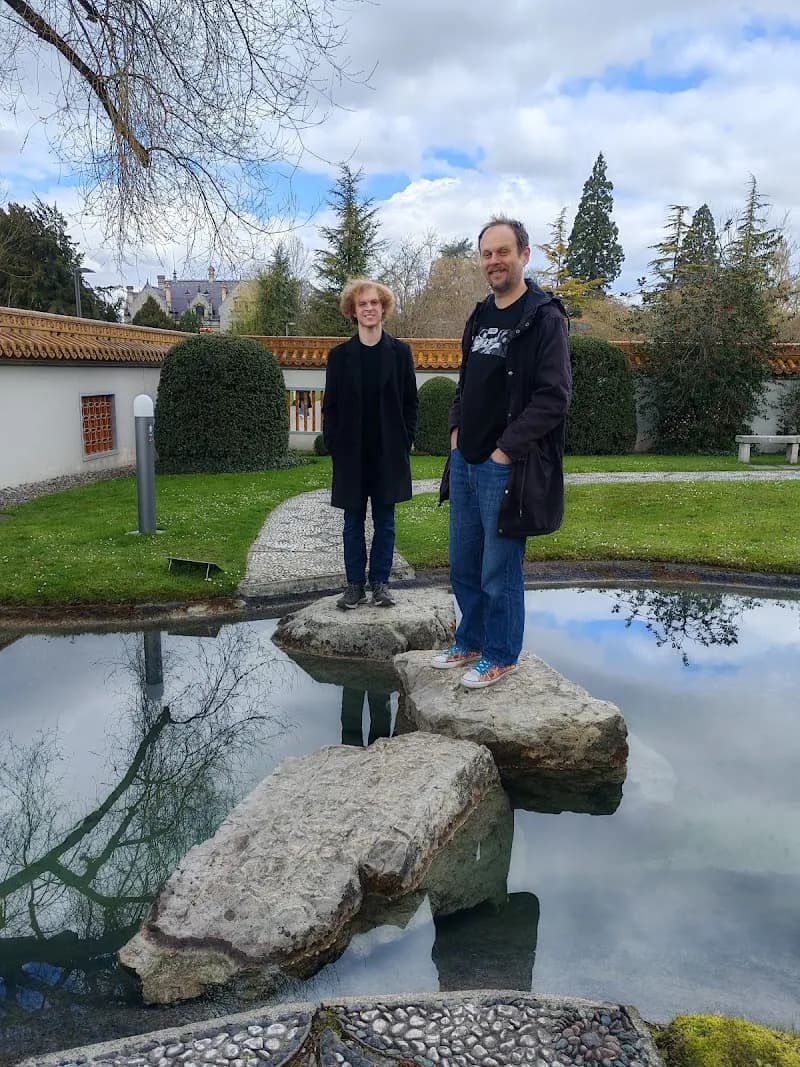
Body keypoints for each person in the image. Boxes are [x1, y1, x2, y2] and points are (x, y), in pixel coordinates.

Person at [434, 216, 572, 688]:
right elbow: (466, 383)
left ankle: (500, 653)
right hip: (466, 459)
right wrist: (455, 433)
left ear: (524, 255)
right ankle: (470, 639)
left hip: (504, 467)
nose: (494, 261)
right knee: (462, 561)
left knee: (499, 568)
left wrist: (505, 452)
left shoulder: (544, 317)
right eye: (487, 253)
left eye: (503, 252)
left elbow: (554, 397)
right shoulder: (479, 315)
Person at [323, 279, 418, 609]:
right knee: (352, 523)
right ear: (353, 310)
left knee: (386, 522)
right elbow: (330, 405)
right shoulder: (339, 356)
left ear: (383, 308)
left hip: (388, 453)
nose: (369, 308)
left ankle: (380, 583)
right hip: (351, 454)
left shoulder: (401, 353)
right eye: (362, 303)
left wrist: (405, 439)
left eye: (375, 303)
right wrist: (335, 444)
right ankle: (354, 586)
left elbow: (410, 403)